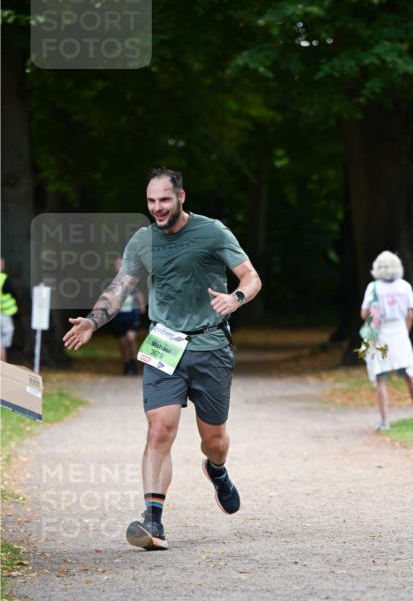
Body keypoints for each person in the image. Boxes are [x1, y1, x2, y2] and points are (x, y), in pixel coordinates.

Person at [63, 167, 262, 551]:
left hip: (210, 346)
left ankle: (216, 470)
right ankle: (153, 522)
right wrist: (92, 320)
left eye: (164, 200)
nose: (157, 208)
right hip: (163, 344)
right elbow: (120, 287)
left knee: (214, 440)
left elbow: (250, 276)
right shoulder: (142, 241)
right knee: (159, 429)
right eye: (151, 201)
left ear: (181, 197)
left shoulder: (212, 232)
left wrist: (234, 299)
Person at [360, 250, 413, 431]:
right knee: (410, 376)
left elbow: (364, 314)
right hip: (400, 334)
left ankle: (384, 421)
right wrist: (405, 332)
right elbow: (410, 314)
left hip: (378, 334)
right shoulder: (405, 286)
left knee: (380, 378)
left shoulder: (373, 288)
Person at [110, 256, 146, 375]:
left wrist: (141, 305)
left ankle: (134, 363)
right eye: (118, 265)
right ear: (115, 267)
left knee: (131, 338)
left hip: (132, 314)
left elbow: (138, 292)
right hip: (119, 316)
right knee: (123, 342)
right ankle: (126, 364)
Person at [0, 257, 18, 362]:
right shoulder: (3, 278)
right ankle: (2, 366)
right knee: (2, 343)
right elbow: (13, 291)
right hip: (4, 314)